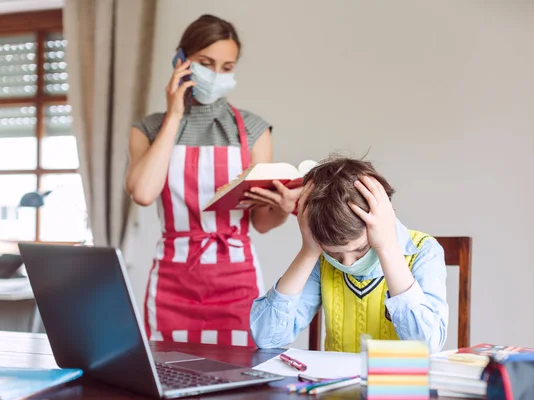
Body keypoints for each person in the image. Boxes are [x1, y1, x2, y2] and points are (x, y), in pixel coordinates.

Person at [126, 15, 301, 346]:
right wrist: (174, 115)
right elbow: (144, 193)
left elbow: (262, 222)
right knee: (168, 372)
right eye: (206, 63)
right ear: (181, 61)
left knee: (238, 379)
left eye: (226, 67)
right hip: (172, 279)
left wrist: (283, 206)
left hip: (235, 279)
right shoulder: (147, 129)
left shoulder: (253, 130)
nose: (217, 75)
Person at [250, 157, 449, 353]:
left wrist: (387, 248)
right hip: (335, 384)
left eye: (360, 249)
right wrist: (308, 252)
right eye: (334, 254)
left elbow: (427, 345)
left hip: (398, 384)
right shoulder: (319, 256)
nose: (347, 263)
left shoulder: (424, 251)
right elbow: (267, 338)